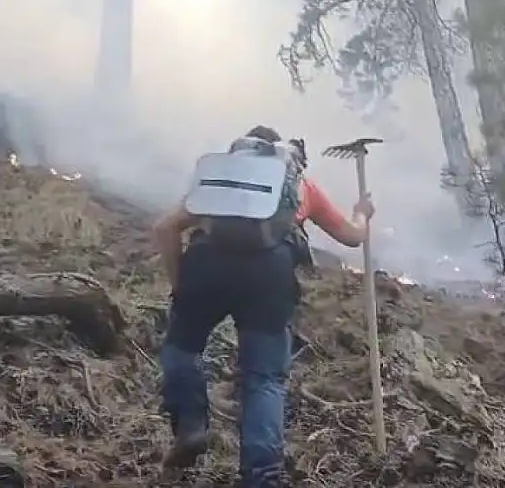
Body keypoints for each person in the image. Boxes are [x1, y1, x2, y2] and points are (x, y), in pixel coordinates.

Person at [152, 125, 374, 488]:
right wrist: (362, 212)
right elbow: (352, 236)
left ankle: (190, 424)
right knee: (265, 379)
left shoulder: (220, 181)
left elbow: (163, 228)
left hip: (207, 266)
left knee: (181, 351)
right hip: (268, 278)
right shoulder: (300, 186)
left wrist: (181, 288)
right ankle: (262, 476)